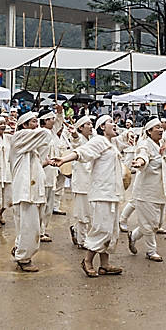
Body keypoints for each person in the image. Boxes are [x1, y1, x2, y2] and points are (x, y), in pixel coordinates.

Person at [53, 115, 127, 277]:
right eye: (110, 122)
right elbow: (82, 152)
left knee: (111, 230)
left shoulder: (112, 143)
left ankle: (105, 264)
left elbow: (127, 139)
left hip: (112, 193)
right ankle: (87, 261)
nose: (114, 124)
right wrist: (64, 160)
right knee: (102, 228)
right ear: (102, 127)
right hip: (101, 193)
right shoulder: (98, 141)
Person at [127, 118, 166, 263]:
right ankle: (151, 251)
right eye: (156, 127)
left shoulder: (163, 143)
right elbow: (143, 155)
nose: (160, 129)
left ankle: (133, 235)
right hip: (146, 191)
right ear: (149, 131)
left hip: (161, 190)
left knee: (156, 224)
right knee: (150, 224)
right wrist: (139, 162)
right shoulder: (145, 145)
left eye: (160, 127)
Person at [8, 111, 52, 272]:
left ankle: (20, 249)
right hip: (26, 191)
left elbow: (32, 167)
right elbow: (46, 134)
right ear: (24, 125)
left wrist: (44, 163)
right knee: (29, 226)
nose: (37, 124)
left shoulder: (29, 147)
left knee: (28, 224)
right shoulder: (19, 138)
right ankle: (24, 258)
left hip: (32, 191)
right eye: (34, 121)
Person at [37, 106, 64, 242]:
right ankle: (38, 231)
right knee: (41, 204)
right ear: (44, 120)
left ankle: (42, 230)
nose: (54, 121)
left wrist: (59, 112)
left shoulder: (51, 133)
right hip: (41, 172)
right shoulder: (38, 133)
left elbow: (59, 122)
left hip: (52, 172)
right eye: (51, 119)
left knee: (48, 205)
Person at [68, 115, 94, 248]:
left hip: (92, 181)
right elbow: (76, 143)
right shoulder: (79, 141)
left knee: (88, 211)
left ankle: (76, 230)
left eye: (91, 123)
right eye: (87, 124)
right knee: (83, 212)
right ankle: (82, 241)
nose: (91, 126)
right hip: (82, 181)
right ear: (80, 128)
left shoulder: (92, 140)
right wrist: (75, 135)